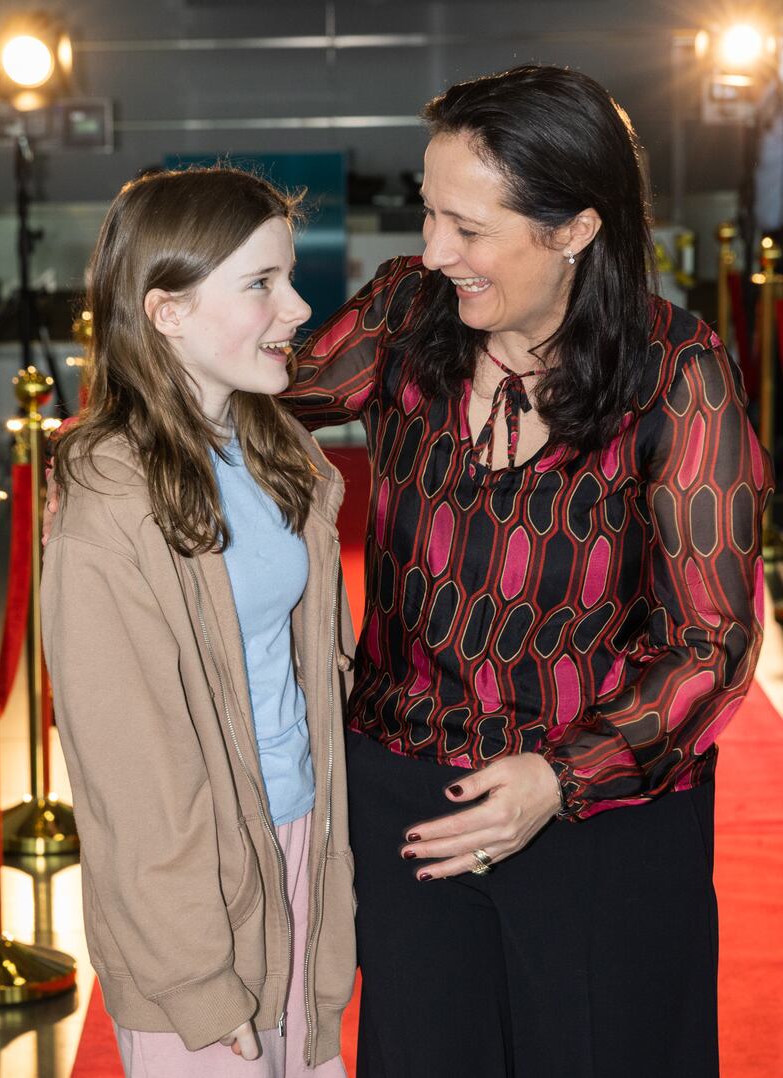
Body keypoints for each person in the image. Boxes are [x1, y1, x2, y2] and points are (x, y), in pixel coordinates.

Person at [283, 65, 774, 1077]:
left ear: (573, 230)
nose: (431, 253)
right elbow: (266, 404)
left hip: (604, 822)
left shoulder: (673, 372)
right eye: (428, 216)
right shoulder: (407, 312)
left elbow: (710, 640)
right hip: (408, 800)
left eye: (468, 228)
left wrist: (558, 777)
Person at [40, 167, 357, 1077]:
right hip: (197, 899)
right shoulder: (111, 496)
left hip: (293, 839)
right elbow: (130, 773)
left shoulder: (271, 447)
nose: (297, 308)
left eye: (289, 278)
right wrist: (193, 975)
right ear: (167, 312)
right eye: (261, 284)